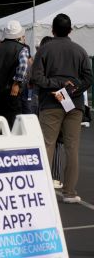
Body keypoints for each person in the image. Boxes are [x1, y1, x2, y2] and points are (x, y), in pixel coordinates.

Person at [30, 13, 93, 203]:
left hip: (50, 103)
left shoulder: (44, 50)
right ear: (71, 30)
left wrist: (56, 85)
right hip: (74, 104)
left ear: (53, 30)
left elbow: (36, 78)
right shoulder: (80, 51)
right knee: (71, 148)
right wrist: (72, 88)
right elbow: (89, 78)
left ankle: (44, 190)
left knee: (47, 145)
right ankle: (70, 192)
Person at [0, 20, 30, 128]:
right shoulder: (22, 49)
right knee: (12, 128)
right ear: (19, 35)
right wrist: (17, 83)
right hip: (11, 94)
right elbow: (23, 66)